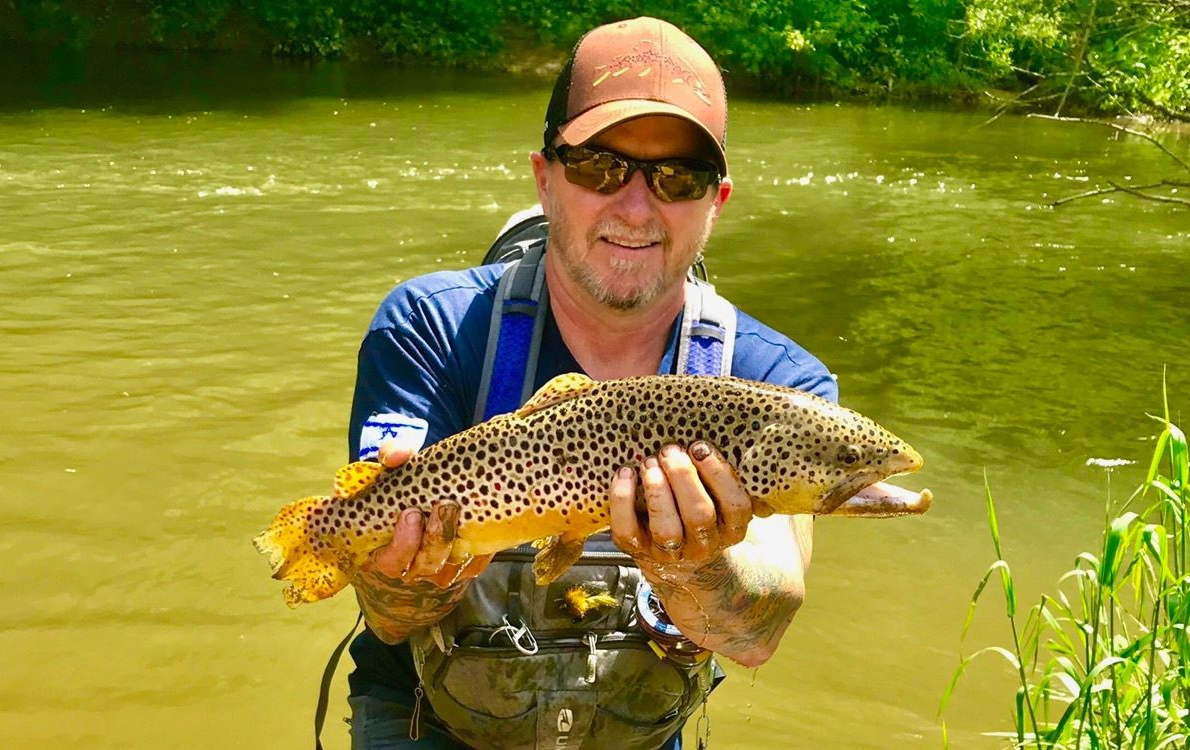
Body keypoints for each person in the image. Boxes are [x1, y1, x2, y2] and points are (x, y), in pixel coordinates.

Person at [338, 16, 911, 749]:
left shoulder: (780, 385)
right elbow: (387, 616)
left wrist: (694, 563)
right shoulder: (431, 329)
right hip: (428, 719)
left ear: (716, 204)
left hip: (634, 730)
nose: (637, 207)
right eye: (600, 167)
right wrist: (414, 569)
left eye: (678, 178)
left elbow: (758, 632)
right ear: (545, 178)